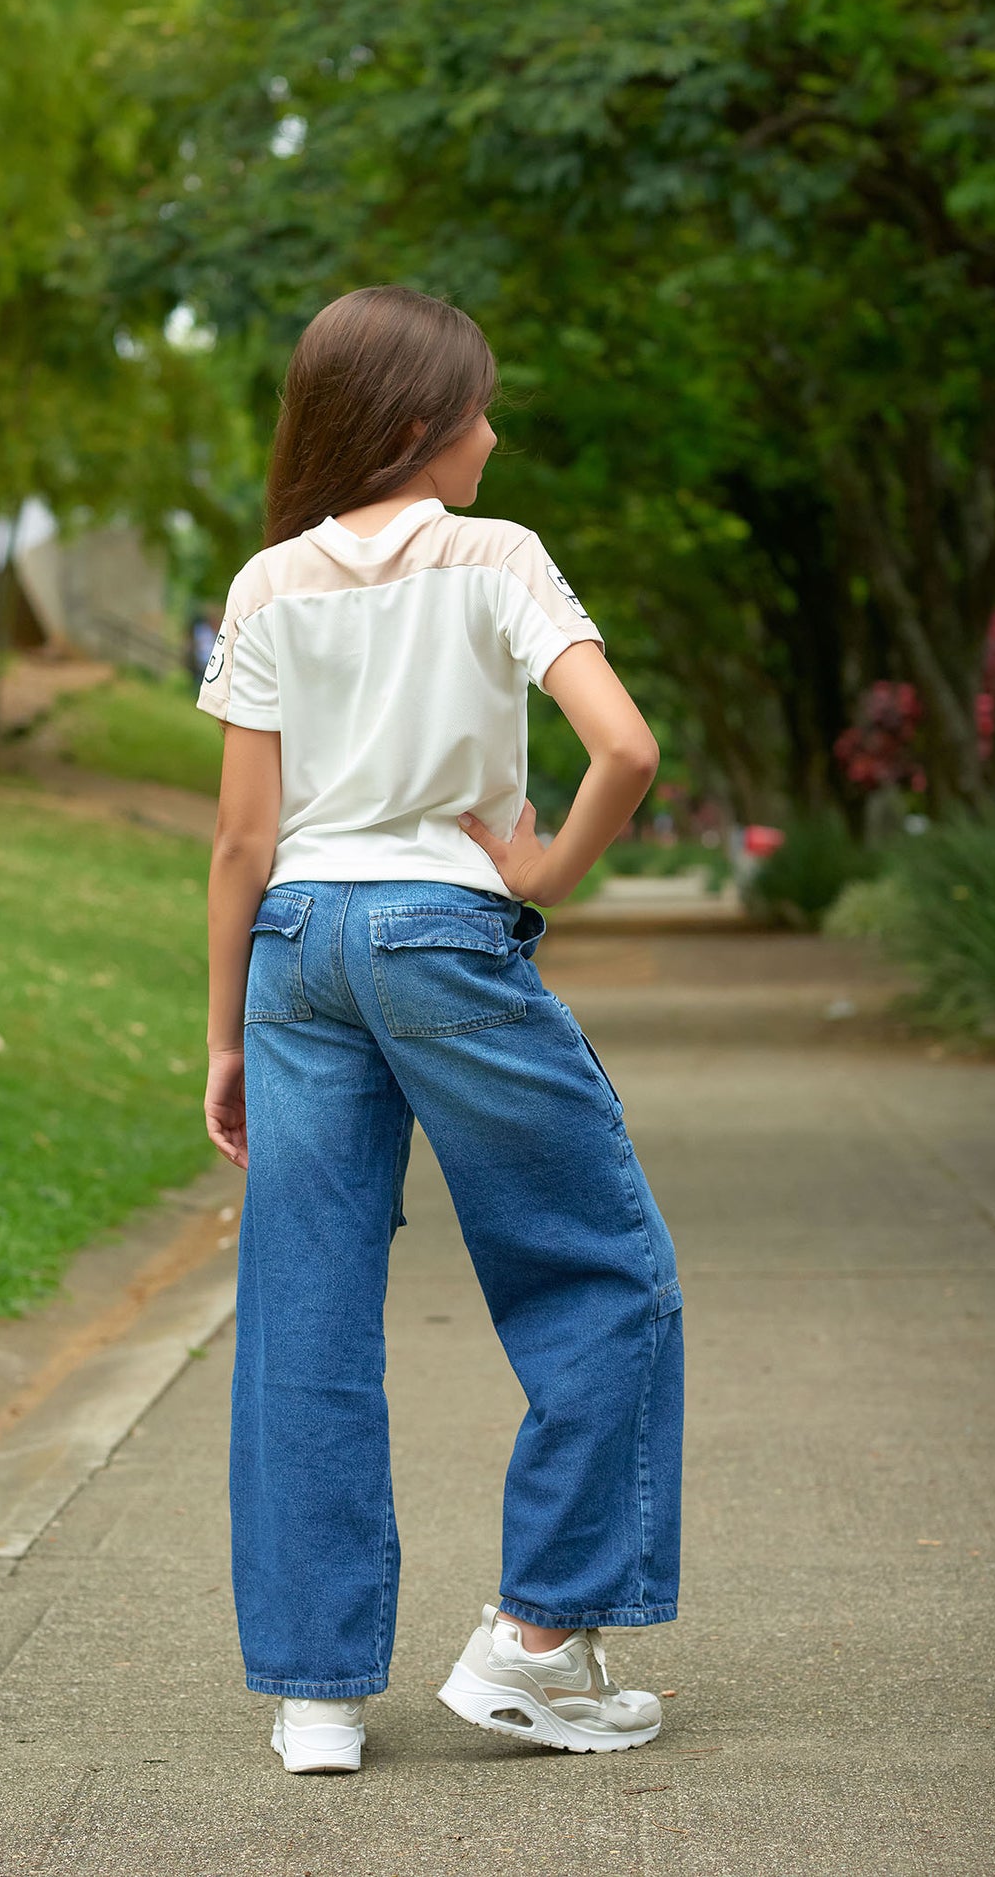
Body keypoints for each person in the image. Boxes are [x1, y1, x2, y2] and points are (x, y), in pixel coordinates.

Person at [197, 285, 683, 1775]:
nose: (492, 430)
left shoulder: (270, 581)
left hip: (297, 953)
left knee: (303, 1311)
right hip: (439, 936)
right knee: (601, 1269)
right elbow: (626, 745)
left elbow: (240, 836)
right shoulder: (497, 558)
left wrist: (222, 1036)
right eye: (474, 407)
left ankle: (317, 1697)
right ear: (415, 425)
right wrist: (535, 871)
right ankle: (537, 1641)